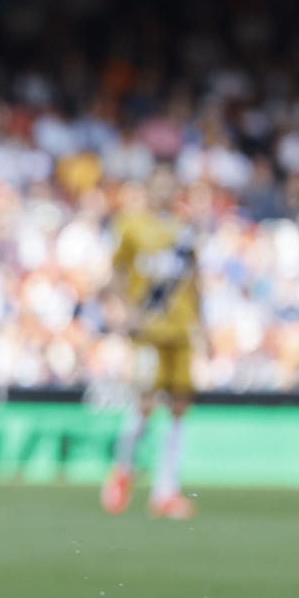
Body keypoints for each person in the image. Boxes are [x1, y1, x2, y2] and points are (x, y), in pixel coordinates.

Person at [101, 164, 203, 520]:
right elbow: (115, 271)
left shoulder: (186, 229)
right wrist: (128, 312)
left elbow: (195, 278)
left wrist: (202, 325)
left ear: (177, 190)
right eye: (157, 185)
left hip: (180, 330)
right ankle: (122, 471)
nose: (163, 192)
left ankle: (165, 492)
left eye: (169, 185)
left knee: (178, 408)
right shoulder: (130, 225)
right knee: (144, 404)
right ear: (148, 189)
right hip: (148, 330)